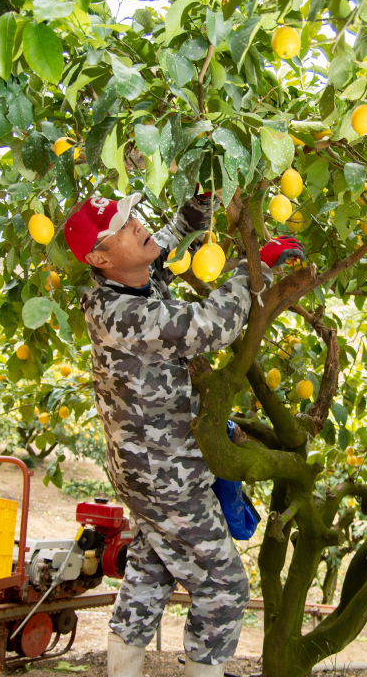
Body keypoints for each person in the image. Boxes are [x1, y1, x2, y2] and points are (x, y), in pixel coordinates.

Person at [64, 190, 305, 677]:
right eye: (123, 227)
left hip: (148, 466)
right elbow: (211, 325)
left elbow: (166, 244)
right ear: (100, 258)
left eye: (133, 216)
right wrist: (255, 266)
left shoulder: (131, 279)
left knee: (152, 569)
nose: (137, 226)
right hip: (162, 474)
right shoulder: (122, 316)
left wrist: (197, 206)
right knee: (223, 586)